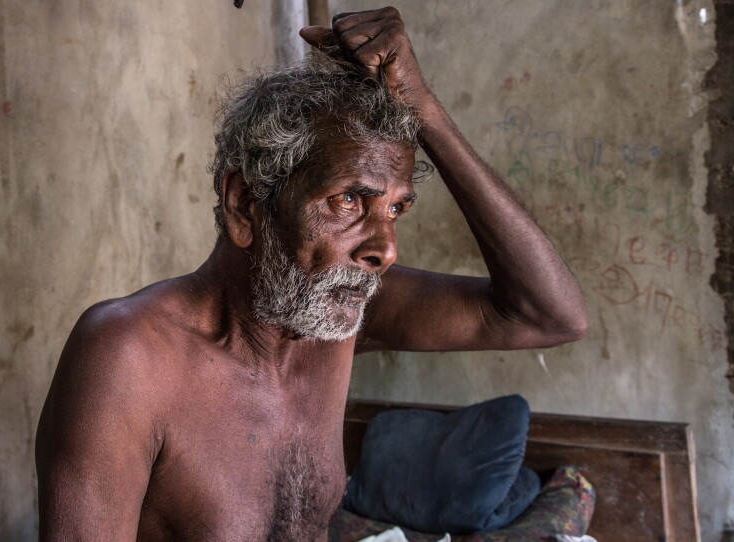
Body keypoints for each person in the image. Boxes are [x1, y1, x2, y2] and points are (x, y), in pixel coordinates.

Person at [35, 7, 588, 541]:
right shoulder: (128, 356)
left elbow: (549, 315)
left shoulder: (338, 319)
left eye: (396, 208)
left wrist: (424, 109)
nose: (386, 248)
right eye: (348, 200)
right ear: (246, 204)